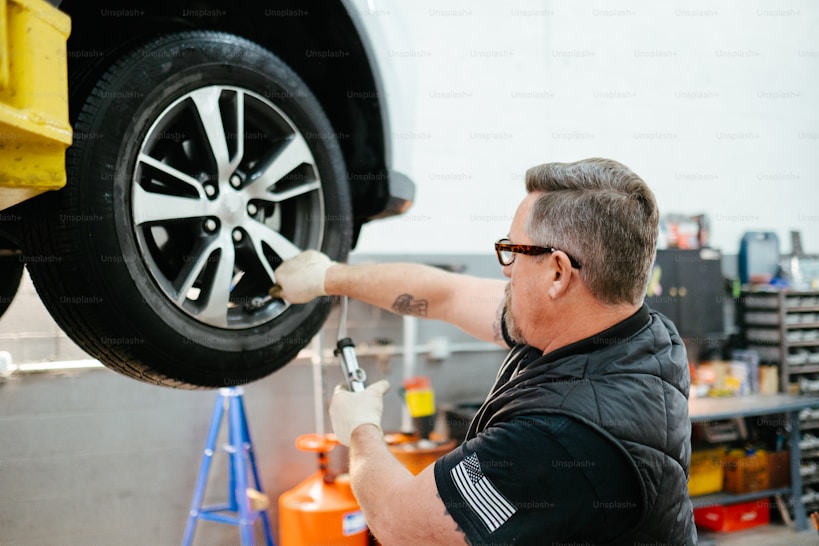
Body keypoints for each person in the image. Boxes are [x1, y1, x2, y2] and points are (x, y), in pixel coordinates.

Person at [271, 158, 696, 545]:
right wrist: (329, 277)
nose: (506, 269)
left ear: (558, 273)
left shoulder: (560, 440)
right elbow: (445, 295)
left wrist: (360, 431)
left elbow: (400, 524)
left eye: (514, 250)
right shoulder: (631, 331)